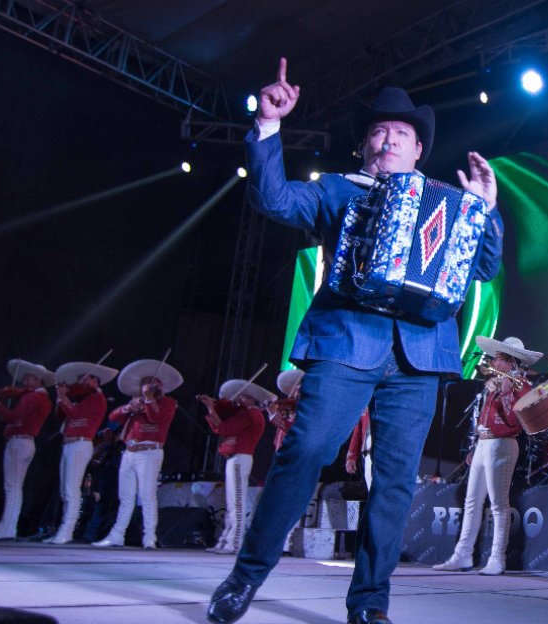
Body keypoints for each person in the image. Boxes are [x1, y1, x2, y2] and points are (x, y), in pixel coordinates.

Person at [207, 57, 502, 624]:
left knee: (393, 483)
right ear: (365, 145)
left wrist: (487, 211)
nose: (390, 139)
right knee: (305, 451)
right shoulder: (338, 192)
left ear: (419, 150)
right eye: (380, 131)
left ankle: (369, 604)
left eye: (403, 134)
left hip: (419, 355)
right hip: (347, 341)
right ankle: (245, 578)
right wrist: (269, 128)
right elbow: (272, 200)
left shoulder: (452, 203)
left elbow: (484, 267)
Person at [432, 336, 540, 575]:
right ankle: (463, 555)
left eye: (499, 358)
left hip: (503, 444)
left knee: (499, 504)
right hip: (484, 443)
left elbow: (516, 422)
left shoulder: (523, 386)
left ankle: (497, 558)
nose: (493, 361)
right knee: (472, 501)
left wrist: (506, 395)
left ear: (511, 362)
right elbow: (484, 417)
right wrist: (474, 447)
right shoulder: (494, 382)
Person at [93, 358, 182, 549]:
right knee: (125, 496)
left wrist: (149, 399)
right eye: (145, 382)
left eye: (152, 382)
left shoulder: (168, 403)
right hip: (129, 452)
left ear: (160, 386)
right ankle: (117, 535)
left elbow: (157, 418)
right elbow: (113, 417)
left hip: (149, 452)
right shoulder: (136, 402)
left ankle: (149, 537)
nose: (148, 386)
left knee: (147, 495)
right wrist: (128, 408)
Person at [0, 359, 56, 540]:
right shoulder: (41, 398)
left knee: (12, 487)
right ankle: (8, 526)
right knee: (14, 487)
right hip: (25, 442)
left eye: (28, 378)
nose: (24, 382)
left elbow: (12, 417)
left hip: (20, 442)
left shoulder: (33, 397)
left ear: (38, 380)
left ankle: (7, 527)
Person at [45, 360, 118, 544]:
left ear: (96, 381)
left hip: (80, 444)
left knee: (71, 489)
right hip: (68, 444)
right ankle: (62, 528)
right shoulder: (82, 398)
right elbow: (61, 415)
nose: (82, 383)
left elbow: (75, 414)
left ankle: (67, 530)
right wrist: (61, 398)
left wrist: (64, 398)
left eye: (87, 379)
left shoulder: (96, 398)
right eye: (80, 380)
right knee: (64, 489)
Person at [201, 378, 272, 555]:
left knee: (237, 502)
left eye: (243, 397)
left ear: (251, 399)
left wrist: (211, 408)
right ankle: (225, 540)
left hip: (241, 458)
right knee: (232, 502)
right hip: (235, 459)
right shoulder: (244, 413)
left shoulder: (250, 414)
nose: (238, 400)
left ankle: (235, 542)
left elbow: (223, 429)